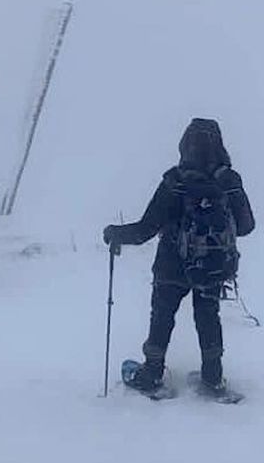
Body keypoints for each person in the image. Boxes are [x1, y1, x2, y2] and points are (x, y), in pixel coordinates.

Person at [103, 118, 255, 395]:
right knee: (208, 316)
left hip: (170, 265)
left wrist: (115, 233)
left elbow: (145, 229)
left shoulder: (175, 181)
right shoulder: (229, 181)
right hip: (210, 267)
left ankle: (151, 373)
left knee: (162, 316)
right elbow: (246, 227)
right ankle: (213, 377)